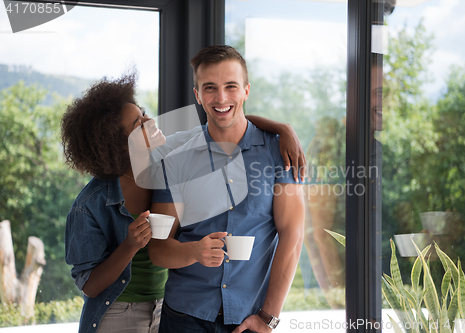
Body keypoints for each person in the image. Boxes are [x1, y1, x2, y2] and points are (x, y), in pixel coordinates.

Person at [62, 71, 305, 333]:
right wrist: (130, 246)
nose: (150, 120)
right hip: (119, 312)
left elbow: (227, 122)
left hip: (166, 309)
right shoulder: (89, 205)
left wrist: (283, 129)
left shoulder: (169, 160)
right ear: (117, 145)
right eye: (138, 124)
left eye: (143, 113)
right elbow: (90, 285)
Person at [148, 45, 305, 333]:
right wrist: (194, 252)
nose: (221, 98)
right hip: (185, 318)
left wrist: (268, 317)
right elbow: (158, 248)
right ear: (197, 95)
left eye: (230, 86)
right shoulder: (175, 160)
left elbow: (292, 235)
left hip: (251, 319)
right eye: (209, 88)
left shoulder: (277, 152)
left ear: (246, 90)